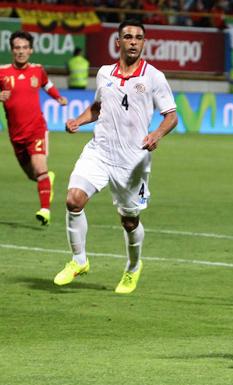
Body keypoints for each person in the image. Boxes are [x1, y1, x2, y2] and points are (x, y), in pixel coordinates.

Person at [53, 20, 178, 294]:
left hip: (132, 161)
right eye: (128, 37)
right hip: (99, 151)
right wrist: (79, 120)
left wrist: (156, 134)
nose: (133, 41)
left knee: (129, 220)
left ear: (144, 43)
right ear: (118, 42)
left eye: (139, 38)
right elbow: (98, 107)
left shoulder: (153, 76)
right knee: (74, 199)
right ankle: (79, 261)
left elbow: (171, 116)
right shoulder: (105, 73)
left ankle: (133, 268)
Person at [0, 30, 68, 225]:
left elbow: (47, 84)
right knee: (34, 175)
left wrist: (58, 97)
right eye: (17, 48)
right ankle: (48, 179)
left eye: (24, 48)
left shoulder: (37, 70)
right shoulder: (2, 72)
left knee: (40, 169)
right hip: (16, 135)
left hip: (36, 129)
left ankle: (45, 210)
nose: (20, 51)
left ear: (30, 50)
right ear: (12, 50)